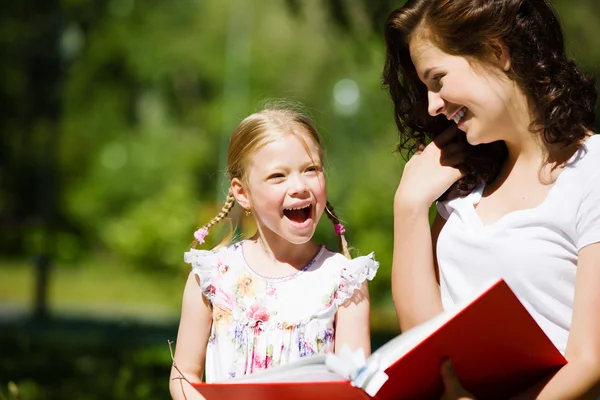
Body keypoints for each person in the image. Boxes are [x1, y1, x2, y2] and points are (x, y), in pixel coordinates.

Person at [383, 0, 600, 398]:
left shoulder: (593, 170)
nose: (432, 104)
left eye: (438, 79)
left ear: (496, 52)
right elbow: (425, 342)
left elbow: (590, 359)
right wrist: (409, 207)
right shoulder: (465, 184)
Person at [168, 104, 379, 399]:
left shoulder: (344, 281)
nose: (300, 187)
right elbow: (184, 375)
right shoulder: (212, 277)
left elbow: (355, 390)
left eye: (311, 170)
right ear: (243, 193)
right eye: (278, 176)